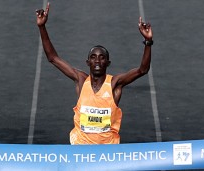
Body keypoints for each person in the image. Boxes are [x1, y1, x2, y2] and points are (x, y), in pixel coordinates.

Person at [36, 3, 153, 145]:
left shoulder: (115, 83)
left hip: (107, 153)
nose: (97, 60)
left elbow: (142, 70)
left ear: (108, 63)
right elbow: (53, 58)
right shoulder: (80, 80)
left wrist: (148, 41)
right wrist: (42, 27)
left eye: (102, 57)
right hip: (80, 150)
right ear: (88, 62)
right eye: (93, 57)